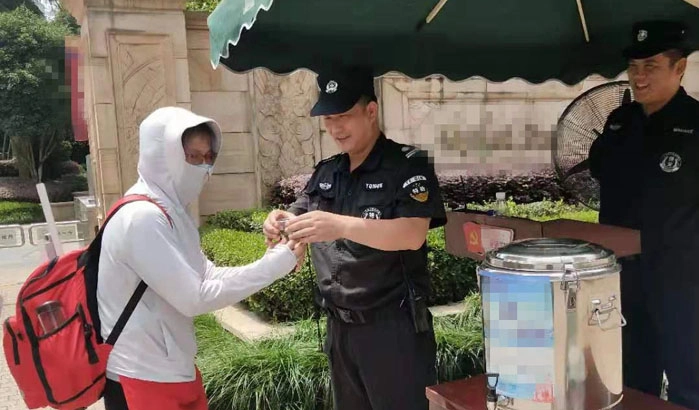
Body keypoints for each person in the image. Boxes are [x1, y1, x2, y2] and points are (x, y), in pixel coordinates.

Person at [96, 107, 306, 410]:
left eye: (208, 157)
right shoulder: (142, 218)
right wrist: (277, 264)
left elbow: (207, 273)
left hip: (172, 369)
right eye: (192, 157)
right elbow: (194, 298)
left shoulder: (170, 211)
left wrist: (274, 258)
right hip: (141, 376)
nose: (203, 168)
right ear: (161, 155)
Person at [263, 67, 447, 410]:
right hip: (340, 330)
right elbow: (298, 213)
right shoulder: (328, 170)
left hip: (392, 330)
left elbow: (412, 234)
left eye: (344, 116)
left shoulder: (408, 165)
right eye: (329, 118)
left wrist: (341, 226)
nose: (335, 128)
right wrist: (278, 222)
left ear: (371, 111)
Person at [589, 20, 699, 408]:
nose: (638, 77)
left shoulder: (696, 125)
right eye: (633, 67)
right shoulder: (619, 124)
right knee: (631, 381)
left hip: (682, 281)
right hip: (621, 279)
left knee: (690, 382)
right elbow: (597, 175)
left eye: (650, 66)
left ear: (679, 67)